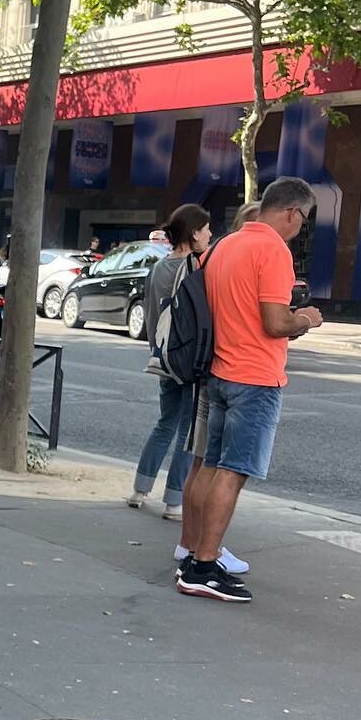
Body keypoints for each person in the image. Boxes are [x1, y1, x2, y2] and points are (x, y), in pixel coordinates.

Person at [176, 178, 321, 602]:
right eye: (304, 219)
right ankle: (204, 565)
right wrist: (306, 319)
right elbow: (275, 323)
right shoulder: (273, 250)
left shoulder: (224, 245)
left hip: (219, 370)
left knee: (210, 465)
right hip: (254, 376)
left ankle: (193, 554)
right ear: (291, 212)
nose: (301, 227)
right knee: (233, 471)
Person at [176, 199, 260, 578]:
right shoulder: (231, 259)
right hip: (227, 369)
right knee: (216, 465)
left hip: (208, 369)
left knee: (203, 461)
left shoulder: (213, 258)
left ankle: (191, 544)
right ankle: (203, 550)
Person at [127, 203, 211, 518]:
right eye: (206, 229)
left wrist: (157, 351)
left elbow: (152, 316)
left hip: (165, 357)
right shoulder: (197, 268)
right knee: (188, 432)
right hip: (189, 359)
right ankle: (174, 500)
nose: (210, 234)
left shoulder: (159, 267)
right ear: (194, 233)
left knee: (165, 423)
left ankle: (140, 489)